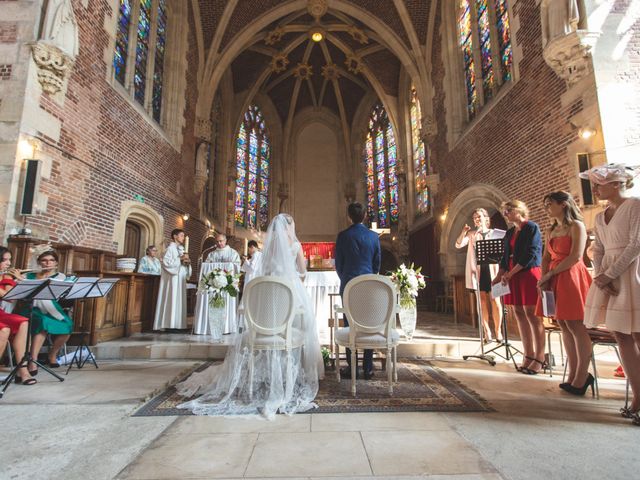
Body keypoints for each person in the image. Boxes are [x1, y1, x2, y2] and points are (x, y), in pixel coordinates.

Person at [175, 214, 323, 419]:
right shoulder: (296, 245)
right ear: (289, 227)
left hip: (268, 288)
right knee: (300, 324)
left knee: (268, 321)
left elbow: (266, 267)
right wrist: (299, 281)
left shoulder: (269, 247)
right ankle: (290, 373)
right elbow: (302, 271)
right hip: (290, 289)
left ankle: (267, 371)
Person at [580, 164, 640, 424]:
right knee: (620, 334)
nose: (595, 189)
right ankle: (638, 395)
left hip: (631, 273)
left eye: (599, 184)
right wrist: (600, 276)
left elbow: (636, 244)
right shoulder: (599, 215)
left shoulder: (635, 205)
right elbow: (599, 249)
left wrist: (611, 274)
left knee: (638, 332)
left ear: (616, 184)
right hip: (608, 277)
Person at [536, 192, 593, 394]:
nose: (547, 208)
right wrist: (544, 278)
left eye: (549, 203)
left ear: (563, 204)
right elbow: (545, 257)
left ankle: (582, 376)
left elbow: (576, 256)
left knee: (576, 324)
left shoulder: (576, 226)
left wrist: (551, 273)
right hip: (554, 277)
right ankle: (573, 373)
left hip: (571, 275)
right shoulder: (550, 229)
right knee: (563, 324)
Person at [493, 200, 545, 374]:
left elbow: (530, 254)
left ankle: (539, 357)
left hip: (528, 273)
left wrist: (511, 272)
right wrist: (499, 275)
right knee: (519, 313)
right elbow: (505, 256)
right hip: (512, 275)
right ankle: (528, 354)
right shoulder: (510, 232)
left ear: (519, 210)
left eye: (508, 210)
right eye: (504, 211)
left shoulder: (532, 228)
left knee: (532, 314)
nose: (505, 214)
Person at [335, 202, 381, 380]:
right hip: (369, 284)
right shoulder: (373, 237)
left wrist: (346, 278)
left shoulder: (343, 236)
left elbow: (339, 264)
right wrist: (369, 277)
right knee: (369, 324)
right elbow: (377, 263)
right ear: (365, 216)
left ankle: (352, 366)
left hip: (348, 284)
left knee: (349, 325)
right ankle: (368, 368)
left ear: (349, 216)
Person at [20, 247, 73, 372]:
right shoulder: (29, 275)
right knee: (43, 322)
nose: (48, 263)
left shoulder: (60, 276)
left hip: (52, 308)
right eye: (44, 260)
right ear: (39, 262)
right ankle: (33, 360)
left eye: (51, 260)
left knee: (68, 325)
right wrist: (19, 279)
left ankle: (52, 354)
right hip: (31, 309)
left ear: (56, 263)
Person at [455, 208, 503, 343]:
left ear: (486, 219)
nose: (477, 219)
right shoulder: (471, 235)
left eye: (479, 216)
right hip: (478, 272)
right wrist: (463, 232)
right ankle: (487, 331)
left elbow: (502, 252)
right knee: (481, 301)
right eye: (475, 217)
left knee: (496, 301)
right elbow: (458, 245)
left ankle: (498, 331)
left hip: (493, 270)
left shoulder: (495, 234)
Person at [0, 247, 36, 385]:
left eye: (9, 259)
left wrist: (12, 278)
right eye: (4, 260)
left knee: (23, 321)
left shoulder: (4, 276)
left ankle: (22, 370)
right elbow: (5, 295)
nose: (9, 263)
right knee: (4, 330)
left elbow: (10, 298)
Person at [153, 229, 192, 330]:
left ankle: (178, 324)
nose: (183, 238)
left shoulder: (182, 249)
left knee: (178, 299)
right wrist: (180, 259)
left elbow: (184, 263)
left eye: (184, 236)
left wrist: (187, 263)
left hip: (180, 278)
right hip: (172, 279)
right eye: (181, 235)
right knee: (172, 298)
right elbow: (166, 263)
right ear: (175, 236)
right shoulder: (170, 249)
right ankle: (169, 324)